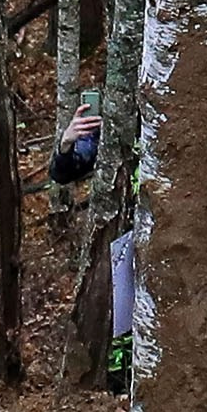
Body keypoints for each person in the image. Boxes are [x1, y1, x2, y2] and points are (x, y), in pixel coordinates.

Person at [52, 99, 136, 394]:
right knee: (121, 311)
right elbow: (64, 172)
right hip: (122, 231)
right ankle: (120, 385)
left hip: (171, 225)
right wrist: (67, 142)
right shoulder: (115, 120)